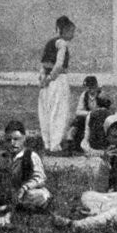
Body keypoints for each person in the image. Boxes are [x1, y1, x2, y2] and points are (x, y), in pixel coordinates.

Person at [38, 15, 75, 152]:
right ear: (62, 30)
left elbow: (43, 65)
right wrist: (49, 79)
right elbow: (59, 65)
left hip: (47, 81)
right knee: (58, 111)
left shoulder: (49, 43)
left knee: (46, 111)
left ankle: (47, 143)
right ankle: (55, 145)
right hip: (57, 80)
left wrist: (42, 79)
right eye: (70, 31)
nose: (72, 35)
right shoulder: (62, 43)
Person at [3, 120, 52, 212]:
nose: (12, 143)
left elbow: (40, 178)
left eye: (16, 139)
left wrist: (25, 187)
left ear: (24, 138)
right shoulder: (3, 157)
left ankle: (18, 205)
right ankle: (15, 204)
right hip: (9, 191)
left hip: (26, 191)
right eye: (9, 140)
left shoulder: (30, 156)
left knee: (40, 196)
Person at [66, 75, 100, 153]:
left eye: (92, 86)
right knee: (75, 124)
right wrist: (90, 113)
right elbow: (78, 111)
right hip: (89, 116)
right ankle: (70, 146)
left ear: (96, 85)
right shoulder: (84, 95)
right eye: (88, 87)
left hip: (98, 118)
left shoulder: (101, 95)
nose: (90, 89)